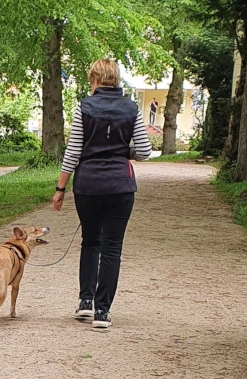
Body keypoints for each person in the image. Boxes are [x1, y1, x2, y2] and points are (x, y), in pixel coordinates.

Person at [52, 59, 152, 329]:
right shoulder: (132, 108)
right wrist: (122, 152)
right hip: (121, 186)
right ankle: (102, 312)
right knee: (112, 248)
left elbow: (73, 150)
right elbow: (144, 150)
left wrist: (60, 188)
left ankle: (85, 301)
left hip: (88, 185)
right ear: (116, 79)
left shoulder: (84, 106)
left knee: (90, 241)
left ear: (95, 79)